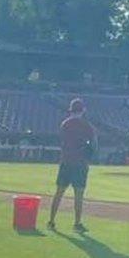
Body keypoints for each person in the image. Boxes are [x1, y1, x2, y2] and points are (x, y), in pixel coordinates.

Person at [49, 98, 96, 233]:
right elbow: (93, 144)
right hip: (80, 163)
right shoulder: (87, 126)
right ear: (82, 110)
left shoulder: (65, 124)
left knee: (59, 192)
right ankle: (77, 223)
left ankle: (51, 221)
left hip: (65, 161)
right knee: (78, 194)